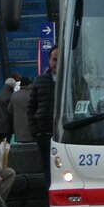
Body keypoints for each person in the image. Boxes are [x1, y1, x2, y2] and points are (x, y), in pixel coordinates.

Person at [28, 46, 58, 189]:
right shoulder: (40, 81)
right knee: (48, 167)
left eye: (59, 59)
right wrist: (35, 131)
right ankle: (50, 195)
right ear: (49, 60)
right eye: (54, 59)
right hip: (44, 134)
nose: (56, 63)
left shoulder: (73, 80)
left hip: (66, 134)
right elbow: (30, 107)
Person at [11, 76, 34, 143]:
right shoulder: (33, 94)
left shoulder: (14, 95)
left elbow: (9, 110)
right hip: (32, 127)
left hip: (19, 129)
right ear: (29, 84)